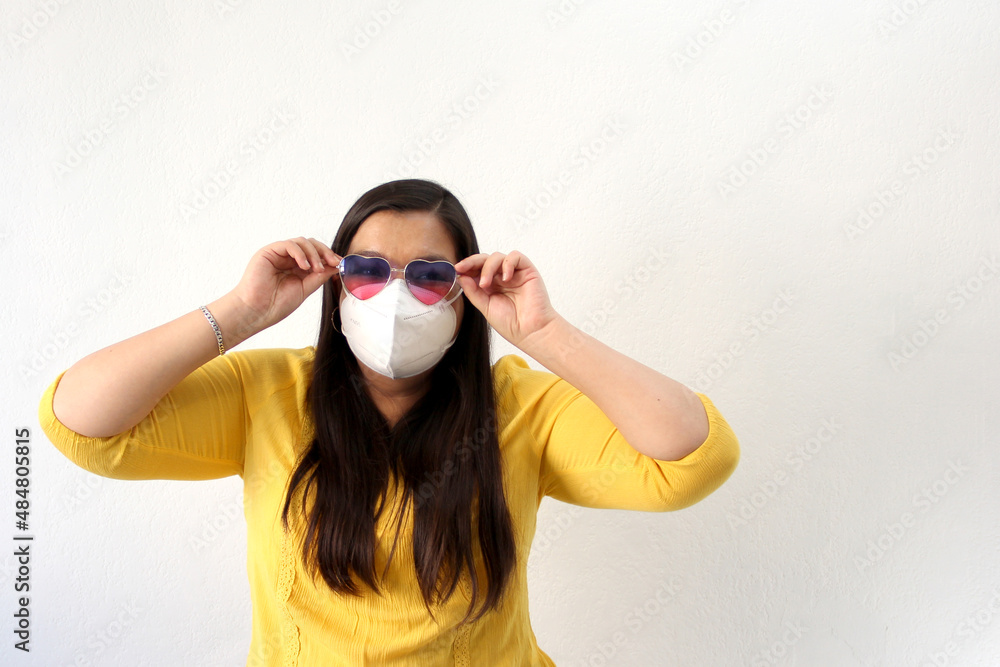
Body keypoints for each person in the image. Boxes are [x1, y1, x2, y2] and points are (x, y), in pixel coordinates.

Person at [38, 178, 741, 666]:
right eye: (370, 270)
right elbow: (80, 419)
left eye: (431, 276)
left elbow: (691, 456)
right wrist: (241, 312)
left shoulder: (518, 408)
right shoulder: (269, 393)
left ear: (466, 297)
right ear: (336, 284)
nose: (398, 298)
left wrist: (546, 332)